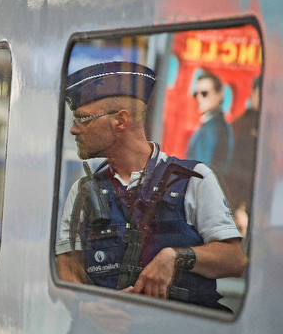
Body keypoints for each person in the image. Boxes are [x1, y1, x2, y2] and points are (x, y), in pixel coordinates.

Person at [55, 61, 244, 310]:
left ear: (120, 120)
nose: (73, 129)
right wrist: (85, 307)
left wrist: (176, 256)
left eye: (83, 119)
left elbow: (234, 260)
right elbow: (67, 271)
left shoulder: (194, 178)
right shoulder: (82, 192)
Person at [227, 76, 261, 237]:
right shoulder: (241, 126)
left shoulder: (268, 126)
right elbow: (237, 168)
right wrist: (240, 205)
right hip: (243, 201)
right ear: (253, 94)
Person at [186, 72, 234, 175]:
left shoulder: (213, 128)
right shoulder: (214, 124)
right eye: (196, 93)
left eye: (204, 93)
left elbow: (202, 170)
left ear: (219, 94)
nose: (199, 98)